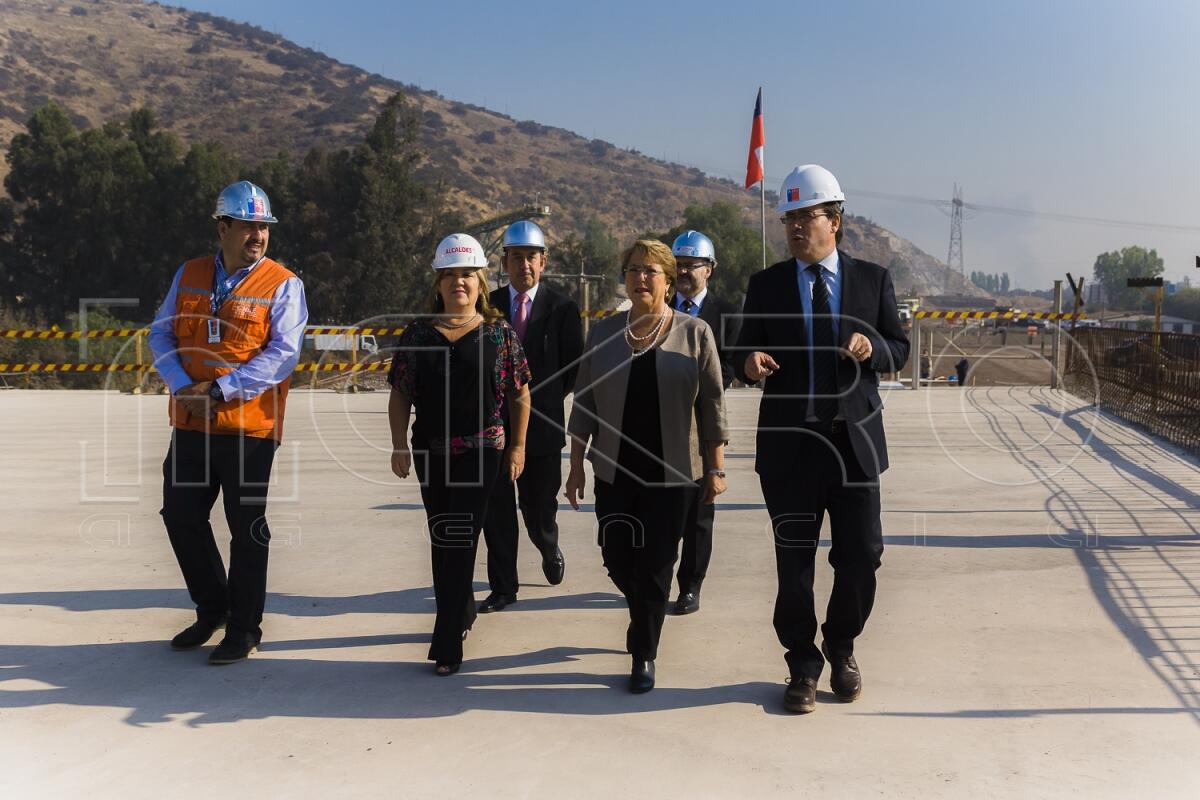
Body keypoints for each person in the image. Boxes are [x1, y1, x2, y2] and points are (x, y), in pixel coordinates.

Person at [734, 165, 909, 714]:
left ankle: (842, 644)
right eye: (787, 218)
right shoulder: (766, 285)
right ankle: (803, 665)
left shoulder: (872, 280)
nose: (793, 228)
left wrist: (871, 348)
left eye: (804, 217)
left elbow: (899, 350)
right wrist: (751, 361)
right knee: (794, 563)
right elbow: (742, 350)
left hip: (852, 445)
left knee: (862, 555)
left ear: (834, 220)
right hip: (791, 450)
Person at [149, 180, 308, 665]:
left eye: (264, 227)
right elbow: (161, 333)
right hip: (192, 423)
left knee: (247, 528)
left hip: (249, 429)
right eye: (248, 226)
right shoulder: (190, 273)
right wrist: (182, 386)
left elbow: (284, 355)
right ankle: (213, 607)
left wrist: (218, 390)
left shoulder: (283, 283)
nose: (258, 236)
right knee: (180, 514)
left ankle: (244, 629)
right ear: (223, 228)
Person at [565, 239, 728, 694]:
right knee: (617, 558)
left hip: (673, 474)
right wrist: (576, 465)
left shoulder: (695, 333)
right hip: (614, 470)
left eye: (651, 271)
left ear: (668, 280)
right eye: (634, 269)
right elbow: (585, 403)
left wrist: (715, 467)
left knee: (657, 563)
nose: (641, 278)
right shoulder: (602, 334)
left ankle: (644, 653)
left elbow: (713, 405)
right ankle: (644, 613)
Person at [388, 233, 531, 676]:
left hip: (483, 450)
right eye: (449, 275)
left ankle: (446, 641)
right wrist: (397, 444)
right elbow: (400, 396)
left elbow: (520, 392)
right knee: (441, 536)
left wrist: (519, 445)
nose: (459, 283)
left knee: (460, 536)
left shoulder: (498, 333)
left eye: (467, 274)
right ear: (438, 282)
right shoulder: (417, 334)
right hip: (431, 451)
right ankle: (461, 610)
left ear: (481, 280)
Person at [479, 220, 584, 613]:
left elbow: (573, 368)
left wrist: (546, 400)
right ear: (504, 262)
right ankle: (504, 587)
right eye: (517, 257)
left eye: (532, 258)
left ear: (544, 262)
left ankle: (547, 543)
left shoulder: (563, 308)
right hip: (492, 427)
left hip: (542, 428)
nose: (525, 265)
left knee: (538, 507)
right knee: (496, 509)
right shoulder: (486, 307)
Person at [668, 230, 742, 616]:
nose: (682, 271)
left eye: (690, 265)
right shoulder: (658, 307)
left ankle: (690, 585)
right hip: (661, 423)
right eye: (677, 265)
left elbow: (727, 366)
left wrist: (698, 386)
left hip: (703, 424)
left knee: (700, 512)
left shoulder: (726, 312)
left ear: (708, 269)